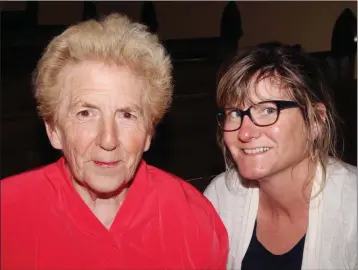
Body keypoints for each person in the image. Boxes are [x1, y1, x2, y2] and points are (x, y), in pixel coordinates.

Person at [1, 13, 228, 270]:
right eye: (85, 113)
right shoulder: (8, 215)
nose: (108, 140)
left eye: (127, 115)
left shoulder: (194, 217)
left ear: (148, 134)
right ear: (54, 130)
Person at [204, 42, 357, 270]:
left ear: (315, 121)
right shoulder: (220, 197)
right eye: (235, 113)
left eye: (267, 110)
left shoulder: (351, 208)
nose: (244, 133)